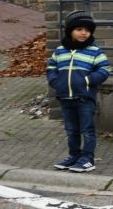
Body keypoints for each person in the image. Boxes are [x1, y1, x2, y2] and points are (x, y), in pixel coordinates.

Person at [46, 10, 109, 173]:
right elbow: (51, 68)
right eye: (79, 29)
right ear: (70, 31)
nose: (84, 33)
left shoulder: (94, 51)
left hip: (84, 99)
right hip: (65, 98)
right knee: (71, 130)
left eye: (87, 30)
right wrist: (56, 82)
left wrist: (87, 80)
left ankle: (87, 159)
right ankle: (74, 156)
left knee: (87, 130)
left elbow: (105, 69)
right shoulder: (60, 50)